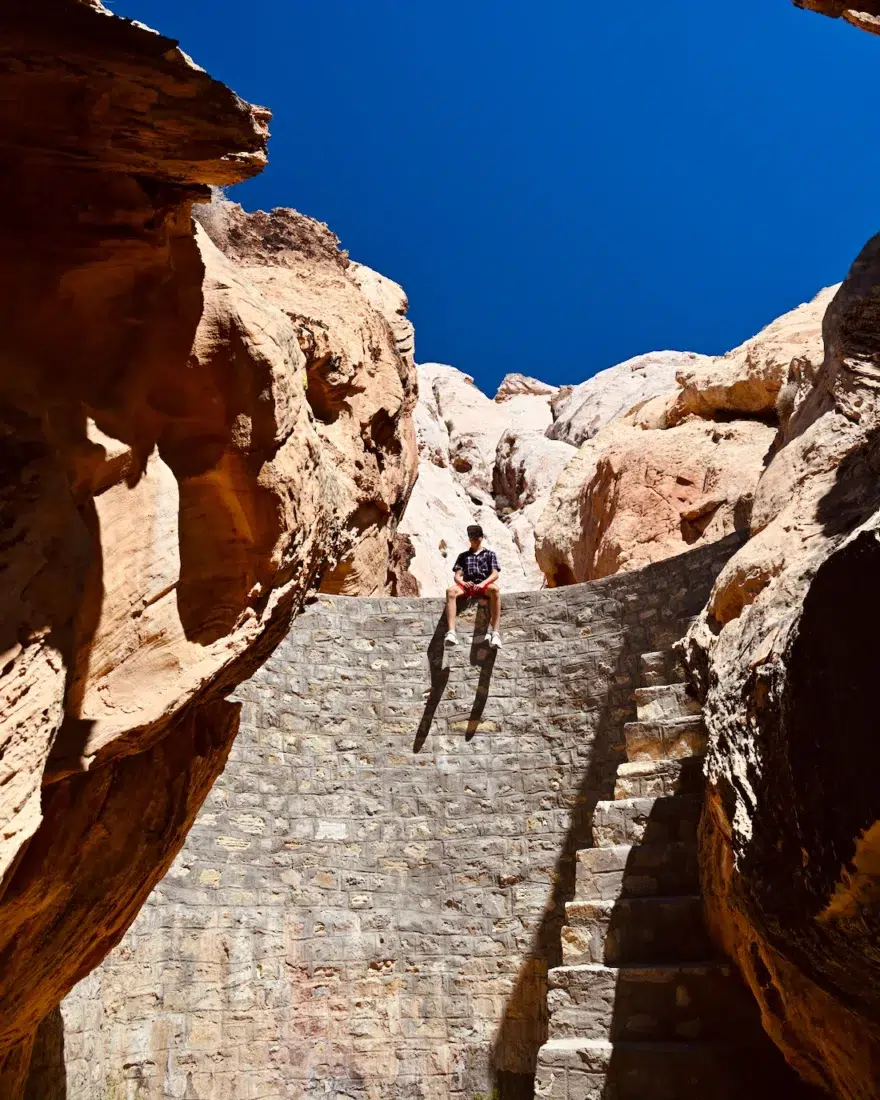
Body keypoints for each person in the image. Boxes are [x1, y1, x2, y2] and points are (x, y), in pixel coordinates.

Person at [445, 524, 502, 648]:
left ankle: (496, 634)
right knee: (450, 591)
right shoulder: (463, 556)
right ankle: (451, 633)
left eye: (475, 536)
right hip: (467, 586)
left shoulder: (490, 554)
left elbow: (495, 574)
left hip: (484, 585)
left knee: (495, 590)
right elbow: (457, 576)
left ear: (481, 537)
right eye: (471, 536)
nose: (473, 538)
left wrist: (483, 583)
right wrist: (463, 583)